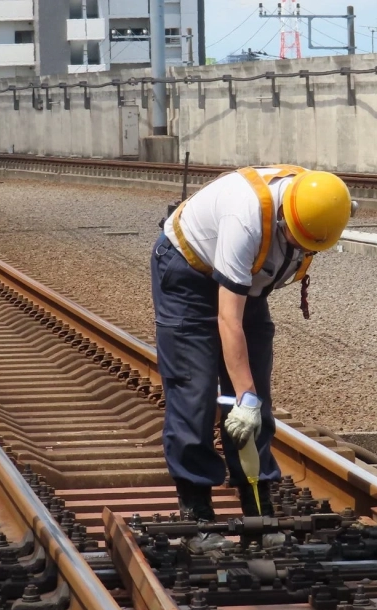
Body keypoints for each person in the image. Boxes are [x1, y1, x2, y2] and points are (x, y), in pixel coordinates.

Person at [150, 165, 354, 520]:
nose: (298, 248)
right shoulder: (244, 220)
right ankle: (197, 510)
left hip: (248, 283)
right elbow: (229, 320)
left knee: (256, 398)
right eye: (294, 239)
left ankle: (257, 505)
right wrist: (243, 398)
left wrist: (249, 398)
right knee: (195, 392)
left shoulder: (320, 201)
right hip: (188, 274)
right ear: (283, 216)